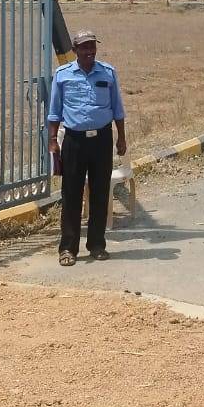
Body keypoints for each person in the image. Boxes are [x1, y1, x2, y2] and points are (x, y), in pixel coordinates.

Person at [46, 30, 127, 266]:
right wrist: (53, 139)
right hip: (74, 141)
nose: (90, 51)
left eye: (92, 46)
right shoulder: (62, 75)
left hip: (102, 140)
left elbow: (117, 108)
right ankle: (68, 248)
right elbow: (54, 111)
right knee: (71, 194)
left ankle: (97, 245)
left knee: (100, 193)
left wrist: (121, 138)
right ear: (75, 50)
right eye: (84, 47)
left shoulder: (108, 72)